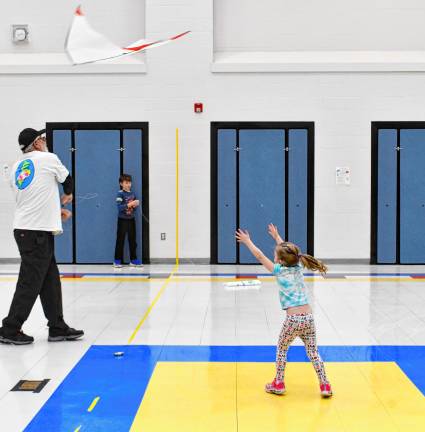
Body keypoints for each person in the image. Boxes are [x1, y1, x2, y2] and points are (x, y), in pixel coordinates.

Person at [0, 127, 84, 345]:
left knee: (50, 281)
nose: (45, 141)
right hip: (36, 232)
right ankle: (9, 328)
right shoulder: (48, 158)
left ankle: (57, 327)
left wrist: (55, 212)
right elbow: (68, 180)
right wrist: (68, 195)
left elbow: (32, 198)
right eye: (43, 138)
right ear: (36, 143)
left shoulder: (16, 166)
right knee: (30, 282)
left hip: (29, 229)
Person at [235, 224, 332, 397]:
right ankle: (325, 385)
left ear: (280, 260)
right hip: (309, 318)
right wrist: (277, 237)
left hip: (293, 320)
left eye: (276, 255)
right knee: (313, 352)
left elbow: (259, 255)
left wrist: (248, 241)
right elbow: (290, 253)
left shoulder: (278, 270)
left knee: (282, 348)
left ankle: (278, 383)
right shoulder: (299, 266)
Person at [113, 174, 143, 268]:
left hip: (131, 219)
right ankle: (117, 260)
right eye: (126, 183)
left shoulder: (132, 194)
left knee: (132, 240)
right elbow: (119, 208)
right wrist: (130, 204)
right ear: (121, 184)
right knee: (120, 240)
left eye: (129, 182)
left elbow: (133, 209)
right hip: (122, 220)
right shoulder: (120, 193)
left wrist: (135, 205)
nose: (128, 184)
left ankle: (133, 260)